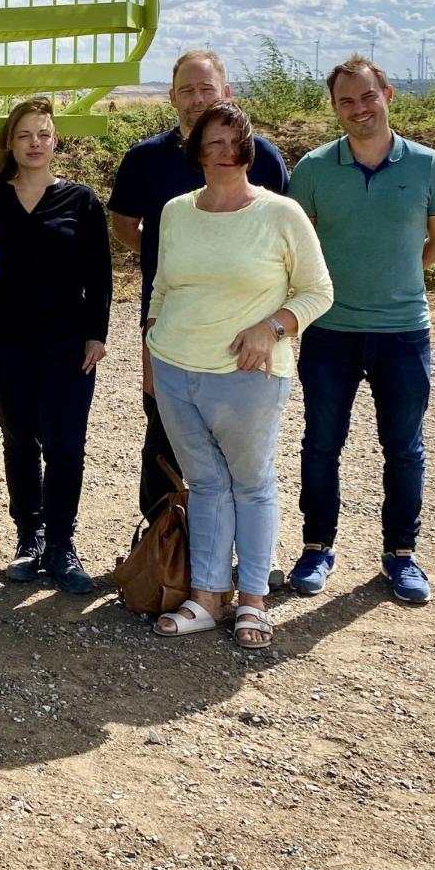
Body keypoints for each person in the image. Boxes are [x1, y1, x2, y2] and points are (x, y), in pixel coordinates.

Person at [147, 102, 332, 649]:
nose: (226, 152)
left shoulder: (280, 214)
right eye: (214, 142)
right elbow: (161, 287)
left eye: (236, 142)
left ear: (249, 149)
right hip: (176, 370)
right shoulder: (176, 211)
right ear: (196, 151)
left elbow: (318, 291)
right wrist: (151, 345)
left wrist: (273, 327)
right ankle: (205, 597)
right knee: (204, 483)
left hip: (248, 374)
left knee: (251, 485)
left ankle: (252, 600)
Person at [285, 56, 435, 604]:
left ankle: (401, 557)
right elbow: (298, 250)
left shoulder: (428, 166)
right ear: (334, 107)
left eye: (367, 97)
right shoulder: (313, 170)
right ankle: (317, 548)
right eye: (346, 101)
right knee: (320, 446)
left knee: (403, 449)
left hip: (403, 332)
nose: (359, 109)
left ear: (386, 94)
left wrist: (392, 281)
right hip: (330, 331)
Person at [108, 50, 289, 520]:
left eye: (206, 88)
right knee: (164, 432)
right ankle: (162, 541)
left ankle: (239, 548)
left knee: (239, 444)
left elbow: (285, 237)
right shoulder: (145, 158)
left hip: (243, 329)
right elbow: (126, 226)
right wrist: (180, 262)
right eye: (186, 90)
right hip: (169, 321)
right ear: (170, 98)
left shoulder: (262, 156)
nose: (196, 99)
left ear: (226, 93)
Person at [0, 98, 112, 594]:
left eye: (43, 134)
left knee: (66, 445)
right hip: (3, 343)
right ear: (10, 143)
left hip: (67, 344)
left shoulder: (81, 201)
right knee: (20, 442)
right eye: (24, 134)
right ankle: (28, 538)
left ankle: (61, 543)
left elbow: (100, 276)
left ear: (56, 141)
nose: (35, 143)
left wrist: (97, 334)